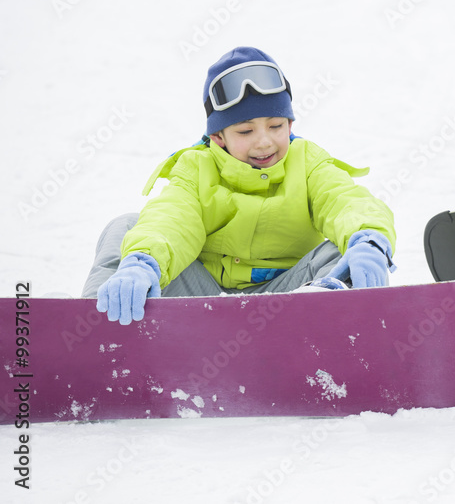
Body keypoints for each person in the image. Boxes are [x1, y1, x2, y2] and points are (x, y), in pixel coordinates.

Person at [82, 46, 397, 325]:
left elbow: (346, 200)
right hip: (200, 300)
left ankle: (333, 321)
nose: (264, 142)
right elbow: (171, 218)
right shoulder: (196, 167)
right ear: (218, 137)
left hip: (289, 300)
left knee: (343, 250)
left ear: (290, 125)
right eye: (245, 131)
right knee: (126, 229)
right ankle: (99, 321)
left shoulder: (308, 162)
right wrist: (142, 263)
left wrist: (369, 242)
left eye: (275, 126)